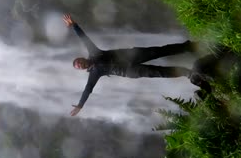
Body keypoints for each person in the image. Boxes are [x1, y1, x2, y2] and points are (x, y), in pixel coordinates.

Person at [63, 13, 197, 116]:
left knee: (159, 50)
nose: (80, 65)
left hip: (132, 55)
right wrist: (80, 105)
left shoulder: (93, 52)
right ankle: (186, 72)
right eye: (79, 66)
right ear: (81, 69)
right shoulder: (94, 73)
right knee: (158, 72)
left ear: (82, 58)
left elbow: (84, 38)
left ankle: (188, 46)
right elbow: (88, 89)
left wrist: (74, 25)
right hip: (130, 71)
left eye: (79, 62)